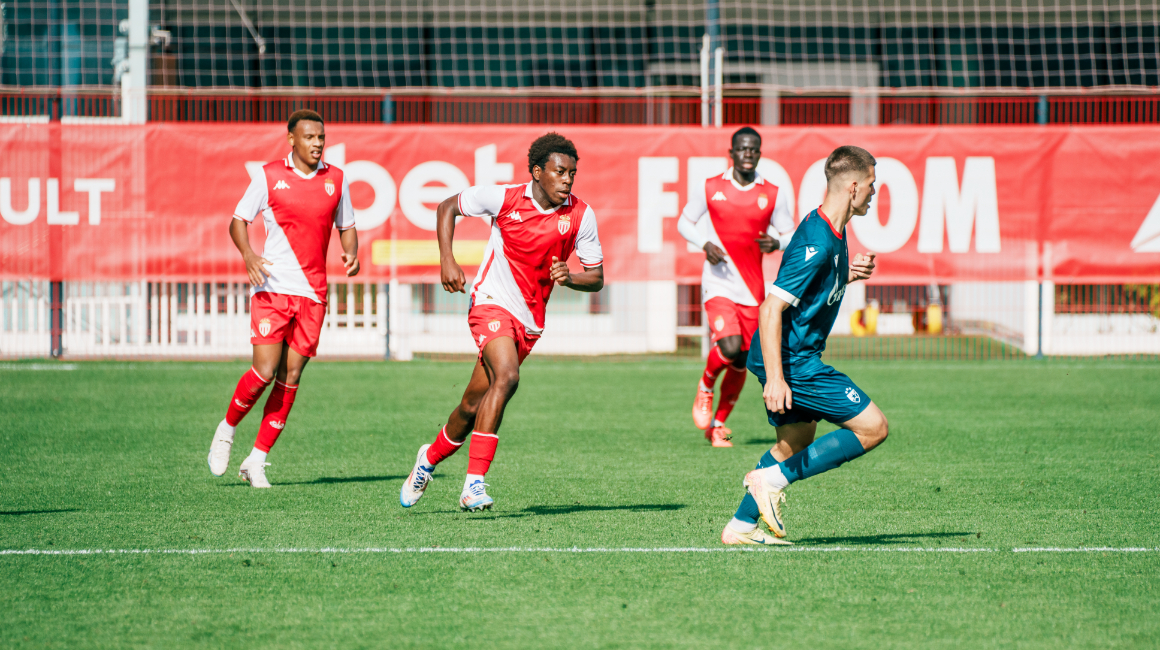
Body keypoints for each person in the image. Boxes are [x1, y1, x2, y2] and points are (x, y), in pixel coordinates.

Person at [399, 132, 604, 512]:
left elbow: (597, 277)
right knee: (507, 377)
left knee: (471, 406)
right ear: (537, 172)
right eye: (560, 172)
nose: (568, 180)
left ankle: (426, 461)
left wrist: (570, 277)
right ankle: (473, 484)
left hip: (529, 321)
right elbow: (447, 207)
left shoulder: (580, 215)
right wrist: (448, 259)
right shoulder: (504, 198)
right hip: (490, 304)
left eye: (573, 173)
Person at [720, 145, 888, 546]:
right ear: (852, 187)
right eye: (870, 185)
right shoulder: (817, 239)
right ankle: (769, 481)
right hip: (793, 360)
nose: (873, 192)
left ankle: (740, 527)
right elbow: (770, 309)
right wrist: (777, 379)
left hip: (792, 354)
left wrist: (846, 275)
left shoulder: (832, 229)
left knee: (793, 442)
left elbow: (807, 291)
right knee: (873, 427)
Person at [206, 109, 359, 488]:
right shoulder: (269, 176)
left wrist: (351, 253)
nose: (317, 143)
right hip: (273, 288)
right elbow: (237, 222)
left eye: (321, 137)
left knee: (291, 377)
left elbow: (348, 226)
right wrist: (249, 255)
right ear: (292, 139)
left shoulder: (336, 180)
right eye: (309, 137)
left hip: (313, 294)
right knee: (264, 373)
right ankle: (226, 431)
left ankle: (256, 460)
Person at [677, 126, 793, 447]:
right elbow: (684, 222)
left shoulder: (772, 192)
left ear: (759, 153)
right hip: (719, 283)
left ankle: (718, 425)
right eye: (742, 149)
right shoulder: (711, 187)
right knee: (728, 347)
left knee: (742, 360)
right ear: (732, 152)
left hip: (753, 289)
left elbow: (791, 233)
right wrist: (704, 243)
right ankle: (705, 385)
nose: (747, 154)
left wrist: (777, 242)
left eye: (753, 149)